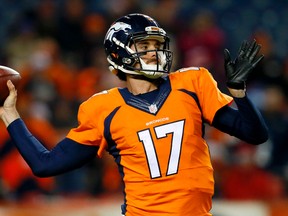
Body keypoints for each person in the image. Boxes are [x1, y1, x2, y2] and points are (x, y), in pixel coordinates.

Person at [0, 13, 268, 216]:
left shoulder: (192, 84)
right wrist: (10, 113)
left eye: (157, 44)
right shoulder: (104, 108)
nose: (155, 52)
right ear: (119, 53)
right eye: (144, 46)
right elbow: (45, 165)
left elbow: (255, 134)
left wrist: (238, 93)